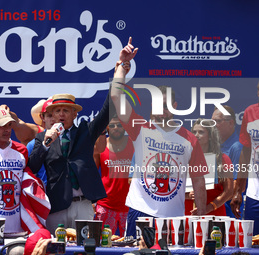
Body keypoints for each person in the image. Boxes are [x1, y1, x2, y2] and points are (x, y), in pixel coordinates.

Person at [111, 37, 207, 238]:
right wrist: (121, 64)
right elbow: (116, 96)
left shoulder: (190, 140)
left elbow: (198, 181)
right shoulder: (139, 127)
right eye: (158, 105)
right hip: (139, 211)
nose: (162, 110)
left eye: (166, 105)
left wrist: (201, 211)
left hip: (172, 217)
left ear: (175, 107)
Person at [28, 91, 112, 233]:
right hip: (56, 205)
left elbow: (108, 110)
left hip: (83, 205)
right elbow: (32, 167)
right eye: (57, 111)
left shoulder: (85, 133)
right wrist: (45, 144)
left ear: (74, 114)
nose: (61, 114)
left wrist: (118, 79)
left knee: (85, 248)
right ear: (52, 115)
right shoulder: (42, 138)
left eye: (66, 110)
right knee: (55, 248)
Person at [94, 115, 134, 235]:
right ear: (107, 127)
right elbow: (92, 176)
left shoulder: (134, 145)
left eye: (120, 125)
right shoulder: (100, 146)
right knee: (102, 245)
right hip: (105, 205)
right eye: (112, 125)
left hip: (130, 206)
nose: (116, 128)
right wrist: (91, 201)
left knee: (132, 245)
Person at [185, 119, 233, 216]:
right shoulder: (184, 158)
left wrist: (208, 208)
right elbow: (173, 188)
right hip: (188, 212)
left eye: (201, 132)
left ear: (210, 136)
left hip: (214, 213)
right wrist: (187, 195)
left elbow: (229, 192)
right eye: (194, 132)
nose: (196, 135)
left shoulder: (222, 159)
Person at [231, 83, 259, 235]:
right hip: (255, 195)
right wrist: (238, 190)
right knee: (252, 244)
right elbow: (245, 153)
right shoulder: (250, 112)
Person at [212, 105, 243, 218]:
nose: (213, 125)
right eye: (212, 121)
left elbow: (238, 185)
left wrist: (214, 200)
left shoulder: (237, 147)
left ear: (231, 123)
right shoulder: (215, 147)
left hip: (229, 212)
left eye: (218, 121)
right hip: (217, 209)